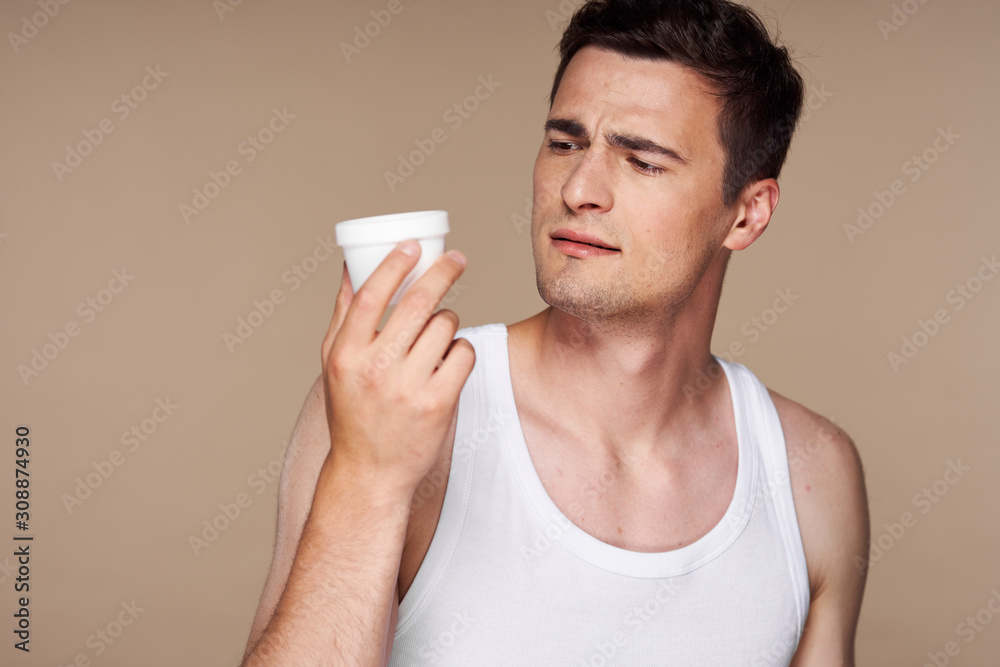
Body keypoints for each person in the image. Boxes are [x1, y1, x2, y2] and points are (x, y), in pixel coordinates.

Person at [241, 0, 870, 664]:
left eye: (643, 161)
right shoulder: (394, 406)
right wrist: (367, 478)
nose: (578, 189)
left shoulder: (811, 474)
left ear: (747, 215)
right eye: (565, 144)